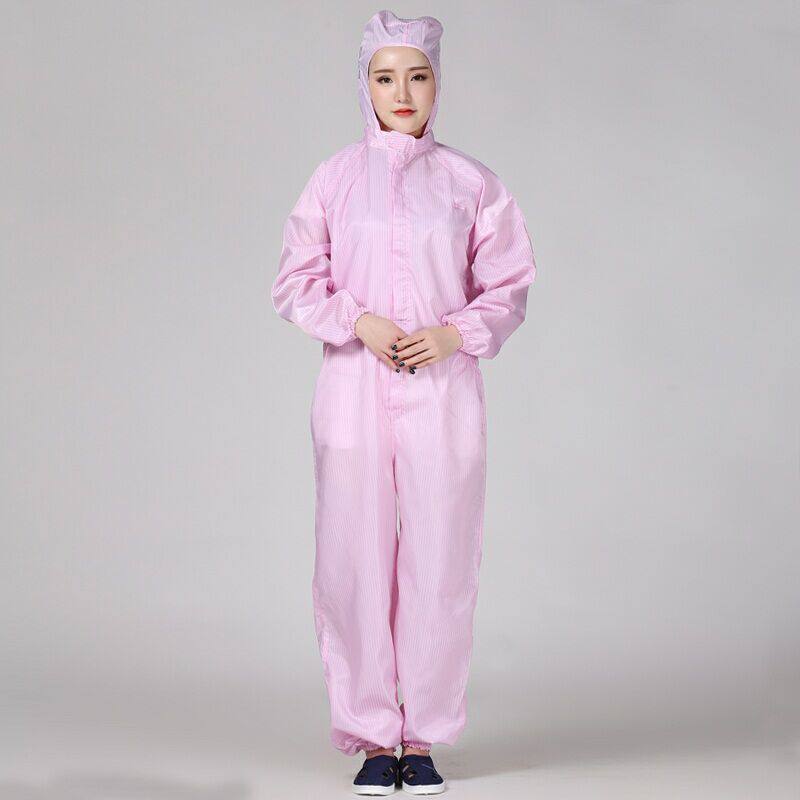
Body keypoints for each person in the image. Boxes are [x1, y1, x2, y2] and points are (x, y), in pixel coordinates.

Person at [271, 9, 537, 795]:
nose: (402, 93)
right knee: (352, 560)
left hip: (444, 395)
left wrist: (455, 334)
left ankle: (420, 739)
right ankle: (369, 737)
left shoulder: (471, 184)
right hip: (353, 391)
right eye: (384, 77)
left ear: (437, 83)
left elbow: (509, 283)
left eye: (416, 76)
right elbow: (294, 280)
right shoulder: (333, 179)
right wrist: (360, 321)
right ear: (364, 84)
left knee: (440, 561)